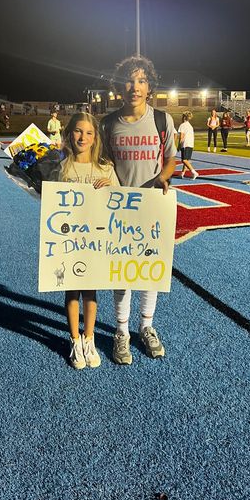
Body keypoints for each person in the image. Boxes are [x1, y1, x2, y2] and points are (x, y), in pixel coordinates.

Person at [100, 55, 177, 365]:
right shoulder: (107, 123)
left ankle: (145, 327)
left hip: (152, 207)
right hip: (119, 208)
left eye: (142, 81)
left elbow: (171, 158)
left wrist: (163, 176)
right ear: (120, 86)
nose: (135, 86)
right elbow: (102, 162)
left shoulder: (162, 120)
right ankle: (121, 332)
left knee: (149, 271)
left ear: (150, 87)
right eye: (129, 81)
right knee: (121, 272)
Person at [58, 112, 120, 369]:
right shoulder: (62, 166)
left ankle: (89, 337)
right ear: (70, 133)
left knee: (91, 292)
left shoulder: (106, 167)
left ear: (96, 138)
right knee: (71, 290)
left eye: (88, 133)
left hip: (95, 240)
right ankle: (74, 339)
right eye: (78, 131)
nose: (82, 137)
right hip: (69, 240)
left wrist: (111, 188)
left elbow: (119, 203)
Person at [178, 111, 199, 179]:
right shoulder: (190, 126)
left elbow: (181, 136)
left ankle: (194, 172)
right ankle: (182, 173)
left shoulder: (182, 125)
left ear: (184, 117)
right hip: (190, 144)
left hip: (185, 144)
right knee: (186, 160)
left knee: (184, 160)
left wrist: (178, 145)